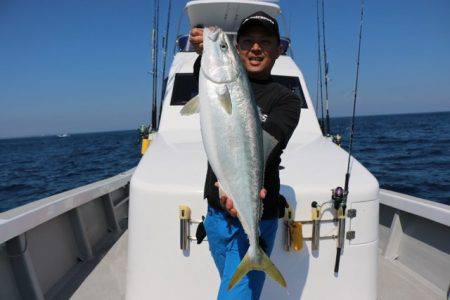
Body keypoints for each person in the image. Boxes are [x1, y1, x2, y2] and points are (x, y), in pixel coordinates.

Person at [189, 11, 301, 300]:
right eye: (248, 41)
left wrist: (242, 195)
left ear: (279, 50)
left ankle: (255, 251)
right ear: (238, 49)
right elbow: (207, 75)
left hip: (255, 216)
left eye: (265, 42)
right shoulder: (216, 82)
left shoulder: (286, 100)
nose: (255, 47)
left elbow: (264, 148)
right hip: (215, 215)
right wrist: (208, 49)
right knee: (234, 288)